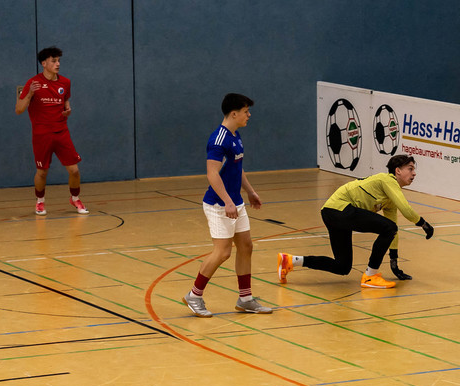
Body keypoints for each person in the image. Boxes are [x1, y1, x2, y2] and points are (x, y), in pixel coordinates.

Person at [276, 154, 434, 289]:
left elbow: (393, 230)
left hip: (333, 213)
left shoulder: (390, 199)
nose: (414, 173)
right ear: (398, 170)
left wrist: (394, 261)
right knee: (388, 228)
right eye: (410, 169)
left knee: (342, 266)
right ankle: (370, 276)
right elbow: (406, 210)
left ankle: (290, 261)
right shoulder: (387, 179)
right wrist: (423, 224)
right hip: (340, 209)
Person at [182, 93, 272, 317]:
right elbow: (212, 173)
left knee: (246, 246)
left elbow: (236, 168)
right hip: (218, 204)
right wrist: (228, 201)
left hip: (235, 202)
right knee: (222, 252)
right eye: (245, 112)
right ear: (234, 113)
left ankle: (245, 299)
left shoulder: (235, 136)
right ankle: (194, 295)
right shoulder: (218, 140)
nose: (248, 115)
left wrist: (250, 191)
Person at [15, 46, 88, 216]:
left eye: (59, 61)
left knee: (74, 171)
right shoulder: (32, 83)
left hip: (61, 132)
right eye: (54, 61)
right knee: (42, 172)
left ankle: (75, 198)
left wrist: (67, 110)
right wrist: (30, 94)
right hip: (41, 134)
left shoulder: (65, 82)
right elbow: (19, 109)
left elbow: (65, 102)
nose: (58, 64)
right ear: (44, 63)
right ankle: (40, 201)